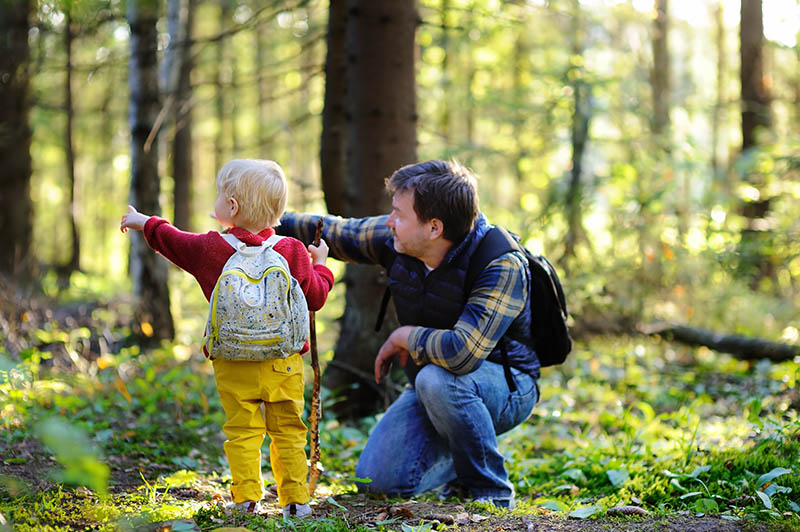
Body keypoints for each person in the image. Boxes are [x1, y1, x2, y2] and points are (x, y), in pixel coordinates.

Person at [276, 159, 539, 509]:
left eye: (399, 214)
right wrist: (262, 220)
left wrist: (405, 336)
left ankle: (489, 490)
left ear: (433, 228)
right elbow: (336, 232)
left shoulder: (500, 261)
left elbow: (462, 353)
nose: (389, 222)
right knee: (379, 482)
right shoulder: (398, 239)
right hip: (435, 386)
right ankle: (466, 453)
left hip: (507, 387)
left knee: (437, 379)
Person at [120, 159, 334, 518]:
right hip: (283, 362)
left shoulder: (211, 249)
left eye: (220, 195)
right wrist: (322, 265)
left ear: (231, 207)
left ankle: (247, 498)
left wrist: (144, 222)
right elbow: (315, 297)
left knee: (243, 431)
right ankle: (296, 501)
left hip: (233, 361)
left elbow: (173, 241)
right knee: (288, 430)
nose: (216, 201)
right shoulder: (292, 251)